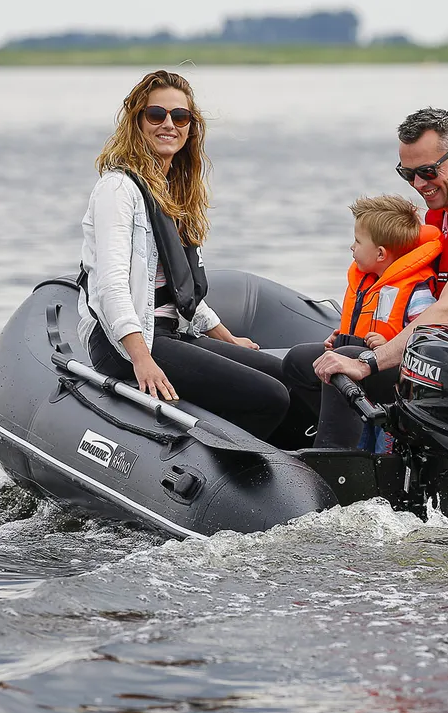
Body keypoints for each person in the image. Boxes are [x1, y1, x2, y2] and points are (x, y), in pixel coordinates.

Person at [77, 70, 290, 440]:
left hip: (171, 333)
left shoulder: (174, 191)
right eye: (156, 115)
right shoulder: (117, 189)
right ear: (137, 121)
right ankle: (228, 474)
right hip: (126, 341)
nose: (169, 125)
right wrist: (141, 360)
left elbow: (181, 290)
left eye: (180, 117)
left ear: (191, 127)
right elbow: (111, 287)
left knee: (282, 376)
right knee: (269, 397)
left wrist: (227, 338)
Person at [312, 107, 448, 448]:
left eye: (429, 171)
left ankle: (334, 475)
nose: (419, 184)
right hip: (436, 362)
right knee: (306, 361)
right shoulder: (442, 216)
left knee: (346, 363)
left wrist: (369, 362)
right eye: (409, 174)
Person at [282, 194, 442, 448]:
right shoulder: (367, 282)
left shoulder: (417, 292)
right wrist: (343, 338)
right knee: (299, 359)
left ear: (380, 253)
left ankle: (335, 455)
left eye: (357, 241)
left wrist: (389, 343)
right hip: (363, 359)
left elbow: (427, 340)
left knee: (342, 360)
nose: (351, 247)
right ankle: (320, 430)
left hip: (397, 375)